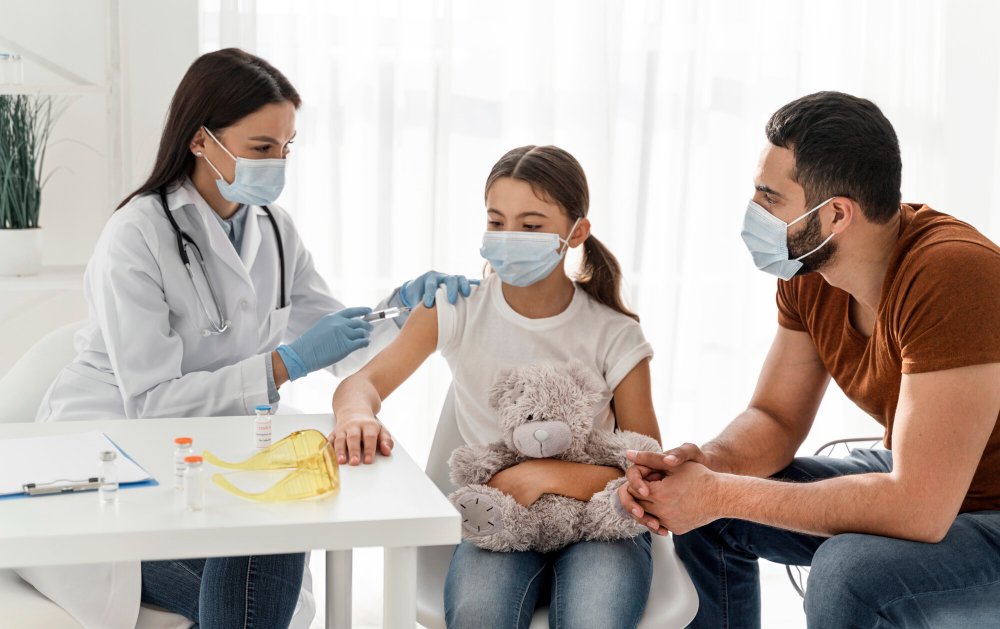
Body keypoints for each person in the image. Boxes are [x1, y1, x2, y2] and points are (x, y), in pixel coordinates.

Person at [21, 48, 472, 629]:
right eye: (262, 148)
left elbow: (343, 345)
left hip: (211, 465)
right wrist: (282, 366)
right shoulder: (136, 236)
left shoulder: (275, 231)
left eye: (286, 148)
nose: (278, 162)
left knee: (276, 536)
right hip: (112, 473)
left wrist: (405, 311)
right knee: (259, 581)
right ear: (201, 140)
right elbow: (154, 403)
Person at [620, 91, 1000, 628]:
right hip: (925, 480)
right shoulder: (810, 275)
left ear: (836, 214)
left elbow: (918, 507)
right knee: (707, 518)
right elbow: (776, 418)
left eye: (769, 197)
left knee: (848, 571)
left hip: (971, 506)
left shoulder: (954, 277)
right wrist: (704, 467)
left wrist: (721, 492)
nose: (754, 212)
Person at [330, 145, 661, 628]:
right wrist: (356, 413)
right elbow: (362, 383)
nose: (509, 238)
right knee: (478, 615)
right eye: (496, 221)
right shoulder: (455, 308)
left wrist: (545, 475)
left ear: (576, 233)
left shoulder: (614, 334)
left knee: (596, 619)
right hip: (500, 519)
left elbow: (650, 466)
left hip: (602, 520)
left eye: (530, 226)